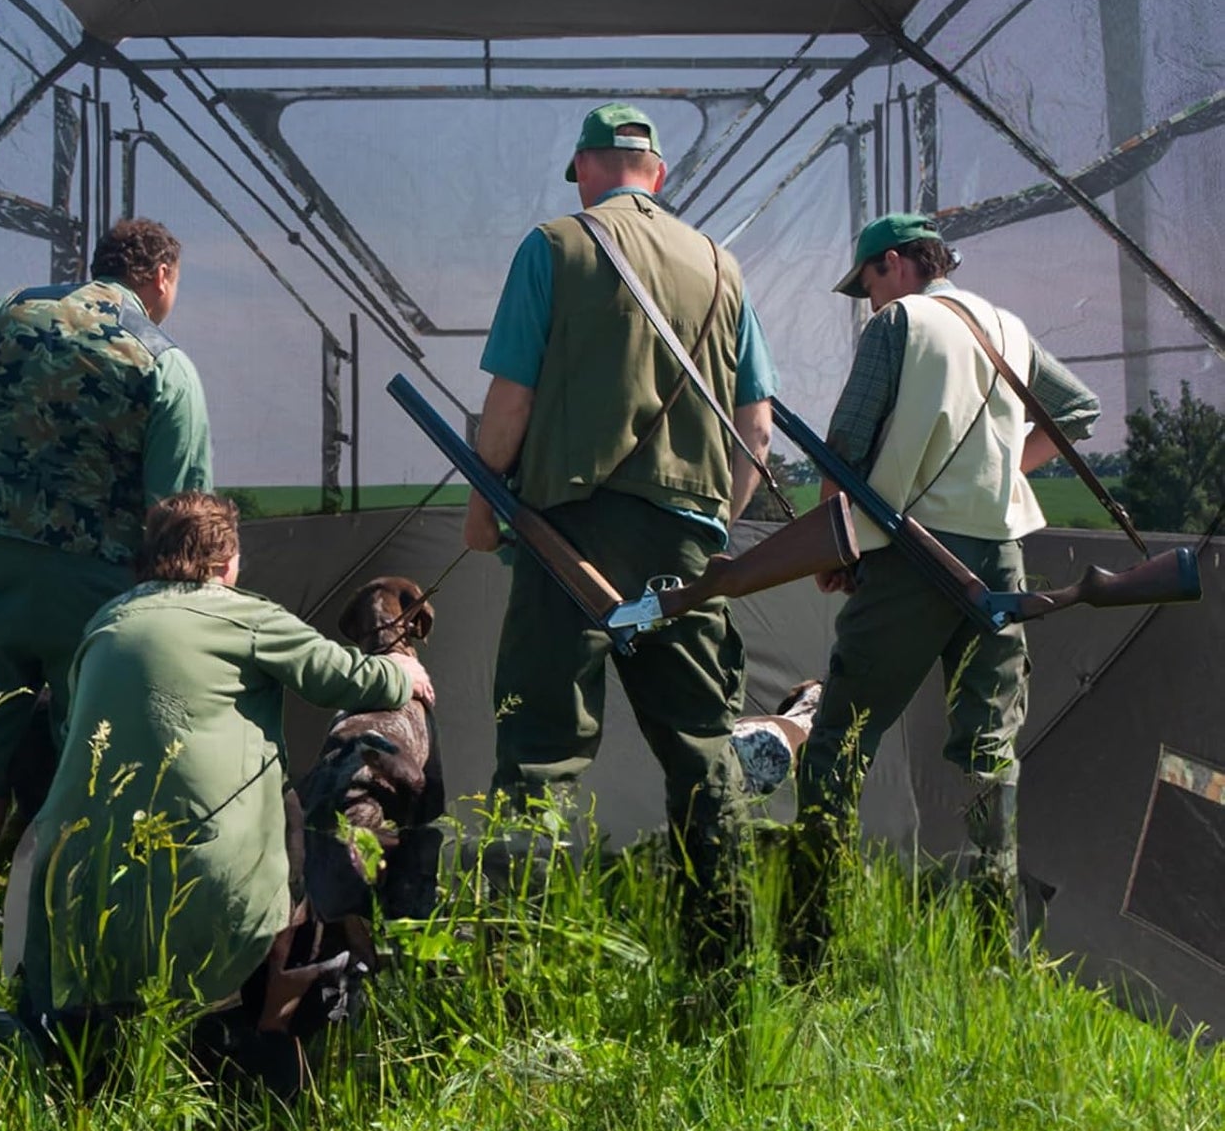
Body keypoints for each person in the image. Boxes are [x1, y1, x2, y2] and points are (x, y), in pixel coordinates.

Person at [464, 101, 780, 942]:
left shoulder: (553, 246)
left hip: (563, 533)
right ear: (659, 175)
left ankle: (513, 974)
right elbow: (756, 427)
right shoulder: (722, 267)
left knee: (538, 753)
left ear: (584, 170)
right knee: (703, 747)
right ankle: (728, 959)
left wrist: (482, 505)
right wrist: (711, 529)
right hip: (685, 540)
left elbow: (509, 404)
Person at [790, 212, 1101, 960]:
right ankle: (996, 952)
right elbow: (1078, 409)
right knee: (989, 751)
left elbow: (844, 445)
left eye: (865, 282)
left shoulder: (897, 324)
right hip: (999, 560)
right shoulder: (1005, 324)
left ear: (893, 264)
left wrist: (833, 547)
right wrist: (999, 473)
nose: (866, 300)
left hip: (910, 554)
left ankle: (810, 937)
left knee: (838, 737)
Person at [20, 492, 434, 1032]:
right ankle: (273, 1037)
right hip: (212, 886)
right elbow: (343, 676)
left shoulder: (107, 621)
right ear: (225, 561)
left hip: (81, 883)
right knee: (292, 823)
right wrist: (402, 674)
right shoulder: (244, 615)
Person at [0, 218, 213, 871]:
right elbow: (181, 522)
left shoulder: (6, 315)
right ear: (161, 277)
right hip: (94, 595)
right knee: (95, 766)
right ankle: (71, 931)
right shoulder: (164, 361)